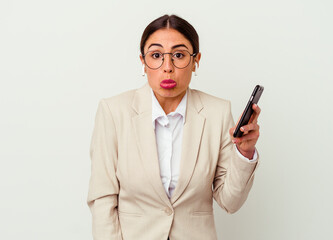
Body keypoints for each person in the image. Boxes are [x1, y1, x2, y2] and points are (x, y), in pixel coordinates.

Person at [87, 14, 261, 240]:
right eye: (156, 55)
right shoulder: (113, 112)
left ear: (196, 60)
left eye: (179, 55)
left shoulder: (217, 112)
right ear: (143, 62)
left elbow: (230, 202)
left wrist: (244, 153)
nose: (167, 67)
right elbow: (102, 199)